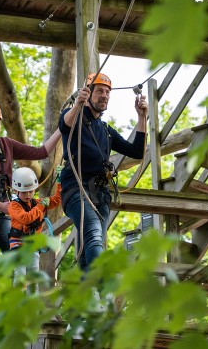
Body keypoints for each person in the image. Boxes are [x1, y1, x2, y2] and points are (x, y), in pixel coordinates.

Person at [0, 101, 61, 288]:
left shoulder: (6, 144)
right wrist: (1, 205)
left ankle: (15, 304)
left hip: (3, 208)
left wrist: (61, 130)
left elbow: (41, 152)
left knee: (18, 256)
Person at [58, 73, 147, 272]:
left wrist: (142, 117)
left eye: (107, 92)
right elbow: (65, 124)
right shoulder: (75, 117)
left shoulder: (106, 130)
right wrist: (77, 104)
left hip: (100, 194)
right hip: (76, 188)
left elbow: (137, 152)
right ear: (88, 94)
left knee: (88, 244)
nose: (104, 96)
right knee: (94, 234)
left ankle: (86, 294)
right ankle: (101, 285)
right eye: (99, 91)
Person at [8, 166, 62, 293]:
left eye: (31, 191)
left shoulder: (37, 203)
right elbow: (26, 218)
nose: (28, 195)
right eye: (24, 192)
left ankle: (33, 309)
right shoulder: (14, 206)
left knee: (33, 279)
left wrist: (60, 181)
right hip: (18, 245)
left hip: (32, 246)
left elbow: (57, 200)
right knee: (20, 275)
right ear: (16, 191)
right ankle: (15, 305)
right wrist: (40, 206)